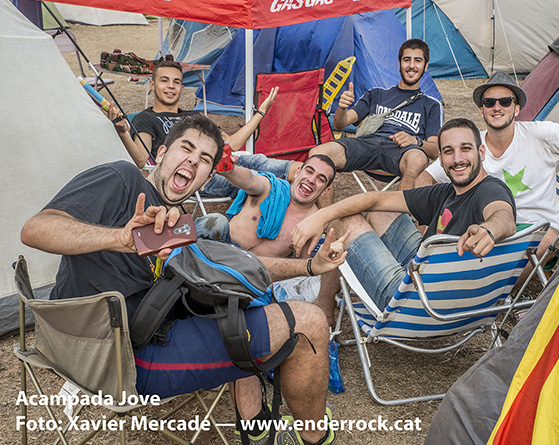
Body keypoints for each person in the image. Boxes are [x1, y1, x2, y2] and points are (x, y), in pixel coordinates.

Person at [20, 115, 339, 445]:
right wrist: (117, 238)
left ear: (207, 177)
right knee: (309, 323)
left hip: (115, 340)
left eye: (204, 159)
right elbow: (36, 229)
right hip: (118, 359)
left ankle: (255, 426)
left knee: (242, 311)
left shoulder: (175, 221)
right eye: (186, 148)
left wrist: (308, 267)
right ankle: (313, 438)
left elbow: (233, 266)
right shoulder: (124, 178)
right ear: (161, 153)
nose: (193, 160)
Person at [292, 118, 516, 309]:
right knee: (382, 211)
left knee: (344, 222)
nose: (457, 159)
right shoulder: (448, 191)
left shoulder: (490, 189)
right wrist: (320, 216)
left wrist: (489, 230)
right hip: (424, 274)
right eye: (449, 151)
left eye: (465, 149)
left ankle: (324, 308)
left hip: (415, 300)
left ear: (481, 152)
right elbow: (377, 200)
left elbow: (503, 216)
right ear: (440, 158)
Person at [415, 71, 559, 272]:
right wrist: (428, 224)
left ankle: (496, 289)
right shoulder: (471, 146)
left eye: (505, 101)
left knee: (548, 241)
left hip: (537, 229)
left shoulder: (540, 134)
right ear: (482, 110)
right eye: (489, 102)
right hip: (488, 230)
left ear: (516, 109)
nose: (497, 107)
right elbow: (425, 177)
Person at [108, 59, 300, 200]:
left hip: (227, 161)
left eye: (176, 82)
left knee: (285, 169)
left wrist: (261, 112)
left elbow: (232, 144)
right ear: (152, 84)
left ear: (182, 87)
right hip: (198, 173)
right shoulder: (145, 118)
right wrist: (123, 132)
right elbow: (141, 160)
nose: (170, 86)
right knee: (266, 183)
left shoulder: (194, 116)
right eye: (164, 80)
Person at [196, 154, 344, 327]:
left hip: (254, 274)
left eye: (320, 179)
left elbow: (303, 265)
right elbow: (250, 180)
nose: (311, 180)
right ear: (298, 172)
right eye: (309, 171)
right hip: (222, 250)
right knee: (215, 222)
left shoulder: (314, 221)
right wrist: (230, 170)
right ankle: (175, 256)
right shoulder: (270, 187)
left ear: (325, 190)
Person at [309, 39, 443, 199]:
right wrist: (342, 108)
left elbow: (435, 151)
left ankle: (396, 213)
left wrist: (416, 141)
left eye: (418, 61)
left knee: (418, 159)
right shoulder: (377, 94)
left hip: (401, 152)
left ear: (425, 66)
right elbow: (340, 124)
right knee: (318, 153)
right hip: (367, 145)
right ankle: (323, 214)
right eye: (407, 60)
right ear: (399, 63)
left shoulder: (431, 105)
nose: (411, 65)